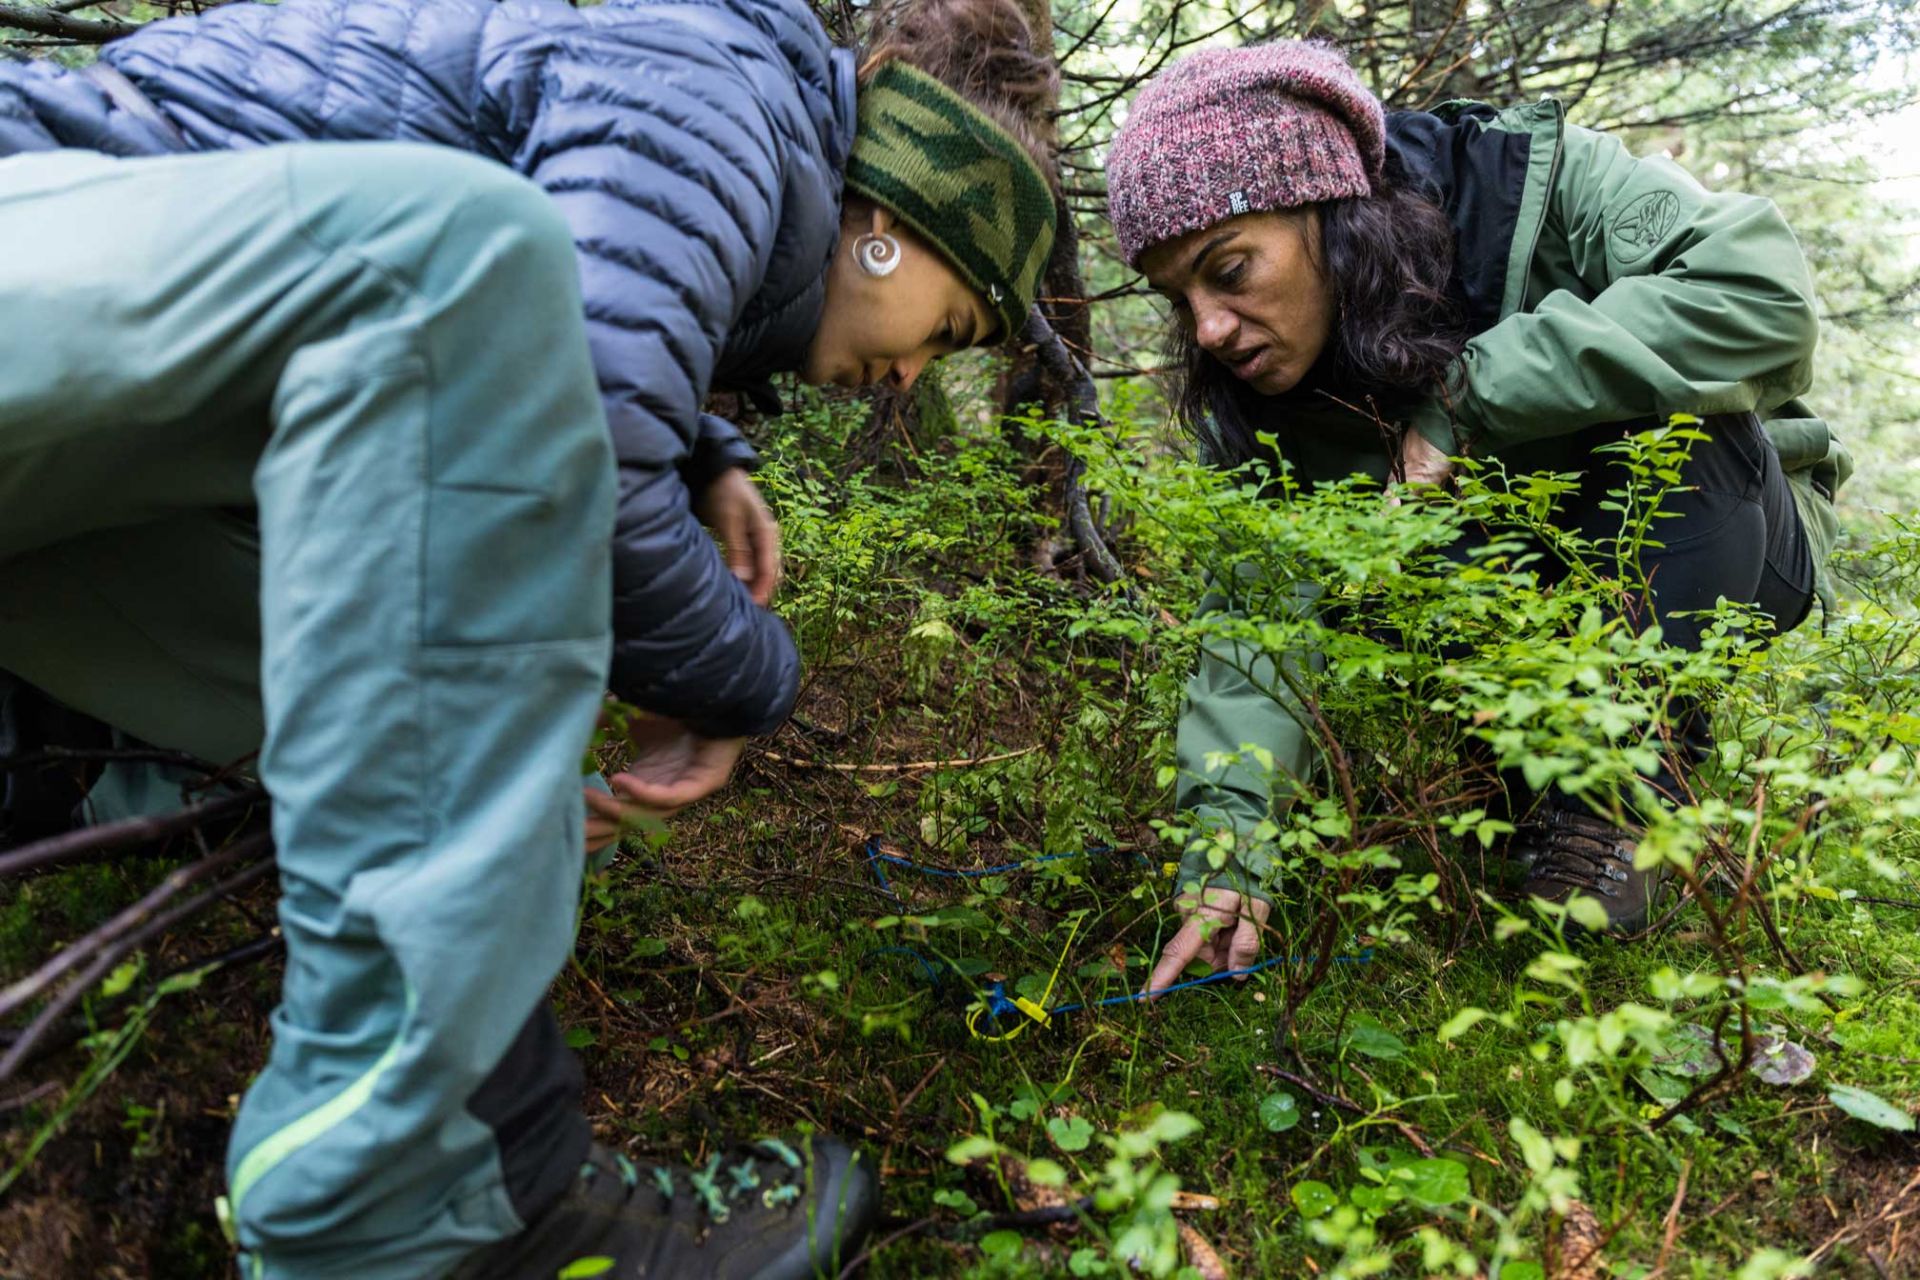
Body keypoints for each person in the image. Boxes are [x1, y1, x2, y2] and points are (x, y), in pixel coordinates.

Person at [0, 0, 1059, 1275]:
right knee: (472, 260)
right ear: (891, 227)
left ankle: (453, 1161)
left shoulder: (704, 113)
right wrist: (747, 678)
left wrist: (705, 448)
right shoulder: (717, 83)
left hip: (66, 392)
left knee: (342, 673)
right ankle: (417, 1190)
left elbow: (573, 351)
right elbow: (588, 424)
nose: (912, 382)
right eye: (948, 333)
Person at [1101, 42, 1850, 995]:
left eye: (1231, 271)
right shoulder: (1258, 396)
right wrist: (1225, 858)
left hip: (1731, 535)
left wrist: (1472, 395)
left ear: (1334, 219)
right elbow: (1259, 626)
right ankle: (1526, 778)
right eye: (1181, 298)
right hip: (1505, 593)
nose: (1208, 327)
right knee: (1460, 762)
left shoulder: (1531, 187)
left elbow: (1762, 299)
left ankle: (1629, 784)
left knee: (1684, 427)